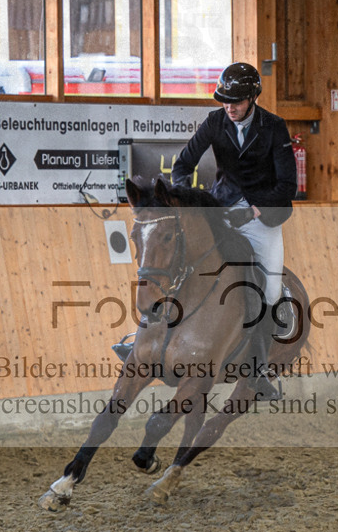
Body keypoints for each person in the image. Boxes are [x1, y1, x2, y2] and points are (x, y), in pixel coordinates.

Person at [115, 62, 296, 400]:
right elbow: (183, 165)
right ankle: (139, 344)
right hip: (221, 208)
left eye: (237, 102)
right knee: (182, 267)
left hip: (263, 216)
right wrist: (186, 199)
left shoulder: (274, 127)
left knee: (269, 290)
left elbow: (287, 185)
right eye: (225, 101)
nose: (229, 107)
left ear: (253, 97)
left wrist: (254, 211)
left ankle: (257, 369)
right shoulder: (215, 122)